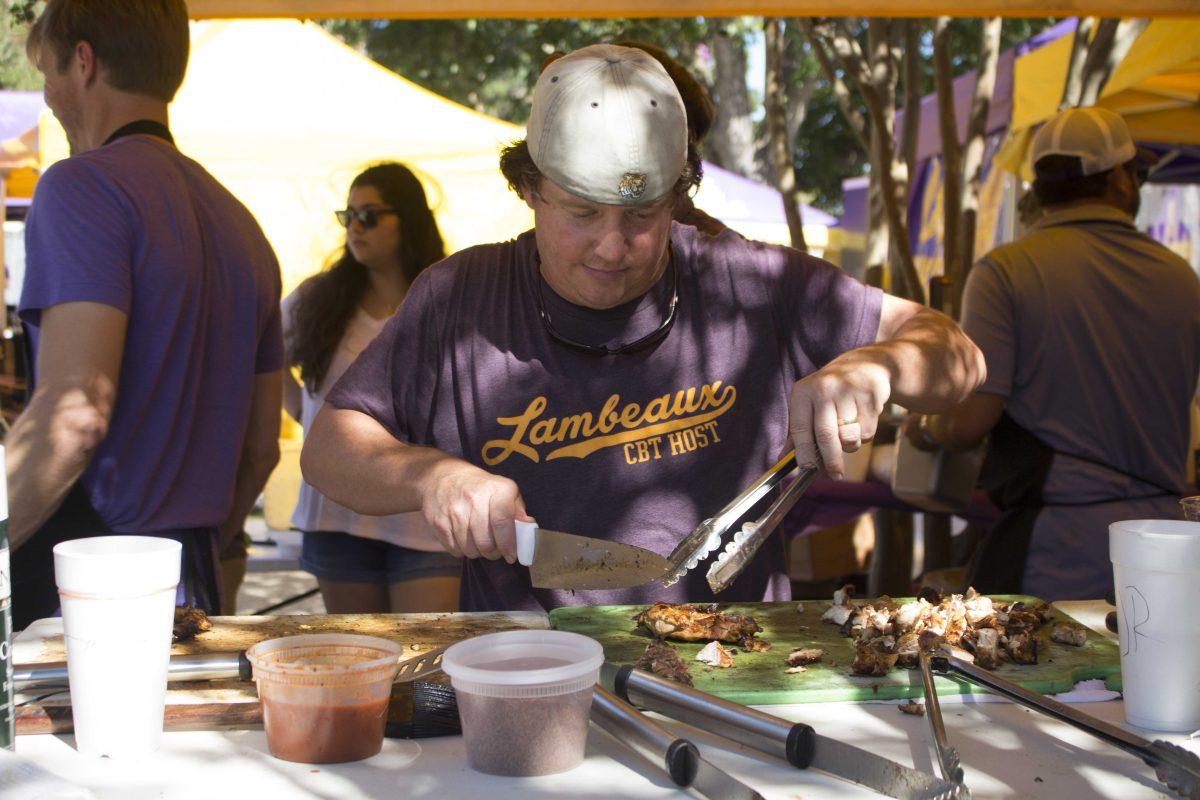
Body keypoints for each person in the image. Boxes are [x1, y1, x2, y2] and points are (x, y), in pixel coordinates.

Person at [302, 44, 985, 613]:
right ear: (530, 188)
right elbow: (329, 447)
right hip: (528, 677)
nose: (611, 246)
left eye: (641, 216)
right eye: (580, 213)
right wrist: (430, 477)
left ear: (679, 194)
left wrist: (878, 367)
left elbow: (958, 356)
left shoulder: (748, 282)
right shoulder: (460, 297)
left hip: (733, 671)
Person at [7, 0, 283, 628]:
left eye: (47, 72)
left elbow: (73, 416)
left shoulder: (82, 186)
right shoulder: (242, 225)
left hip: (85, 587)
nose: (47, 93)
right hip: (192, 576)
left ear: (83, 62)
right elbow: (260, 449)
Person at [906, 107, 1200, 601]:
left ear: (1042, 189)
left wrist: (925, 427)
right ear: (1120, 183)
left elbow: (966, 423)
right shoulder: (1182, 278)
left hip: (1058, 548)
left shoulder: (1007, 271)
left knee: (1044, 677)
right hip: (1166, 548)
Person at [284, 162, 460, 613]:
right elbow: (261, 360)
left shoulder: (448, 297)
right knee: (361, 669)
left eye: (369, 215)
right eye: (348, 217)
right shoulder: (317, 299)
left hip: (424, 516)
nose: (355, 228)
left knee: (425, 667)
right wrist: (308, 414)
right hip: (337, 512)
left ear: (409, 218)